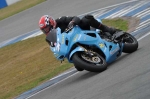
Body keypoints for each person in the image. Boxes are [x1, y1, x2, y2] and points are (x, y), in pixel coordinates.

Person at [38, 14, 119, 46]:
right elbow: (54, 48)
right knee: (78, 67)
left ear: (52, 23)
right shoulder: (49, 38)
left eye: (47, 28)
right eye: (44, 30)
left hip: (82, 31)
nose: (46, 31)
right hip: (73, 43)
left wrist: (72, 22)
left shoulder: (61, 20)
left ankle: (107, 29)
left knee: (86, 19)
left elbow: (76, 18)